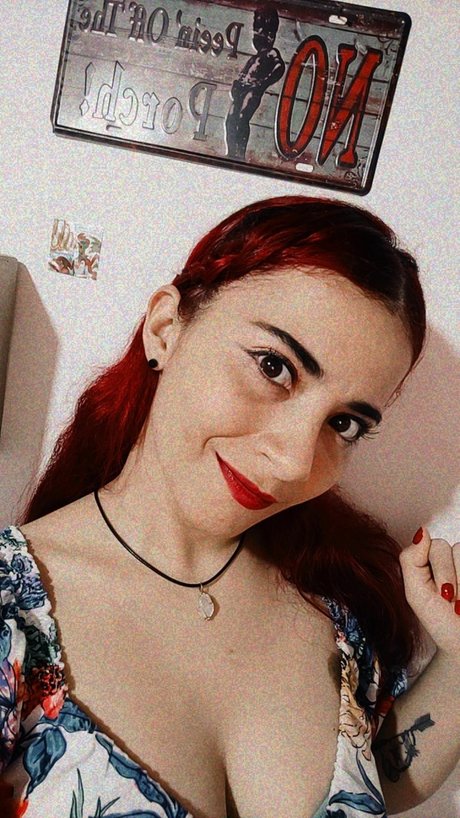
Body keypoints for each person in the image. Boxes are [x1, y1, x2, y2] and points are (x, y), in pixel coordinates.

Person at [0, 196, 458, 818]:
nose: (295, 461)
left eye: (344, 423)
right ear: (166, 328)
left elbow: (373, 778)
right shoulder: (14, 616)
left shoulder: (336, 603)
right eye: (274, 367)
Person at [225, 7, 285, 160]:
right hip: (242, 89)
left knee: (241, 117)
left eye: (258, 30)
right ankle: (231, 152)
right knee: (231, 118)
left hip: (253, 90)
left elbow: (279, 68)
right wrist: (237, 83)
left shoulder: (271, 53)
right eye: (255, 29)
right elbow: (245, 73)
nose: (255, 33)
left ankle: (240, 154)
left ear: (270, 35)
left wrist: (263, 83)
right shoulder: (255, 57)